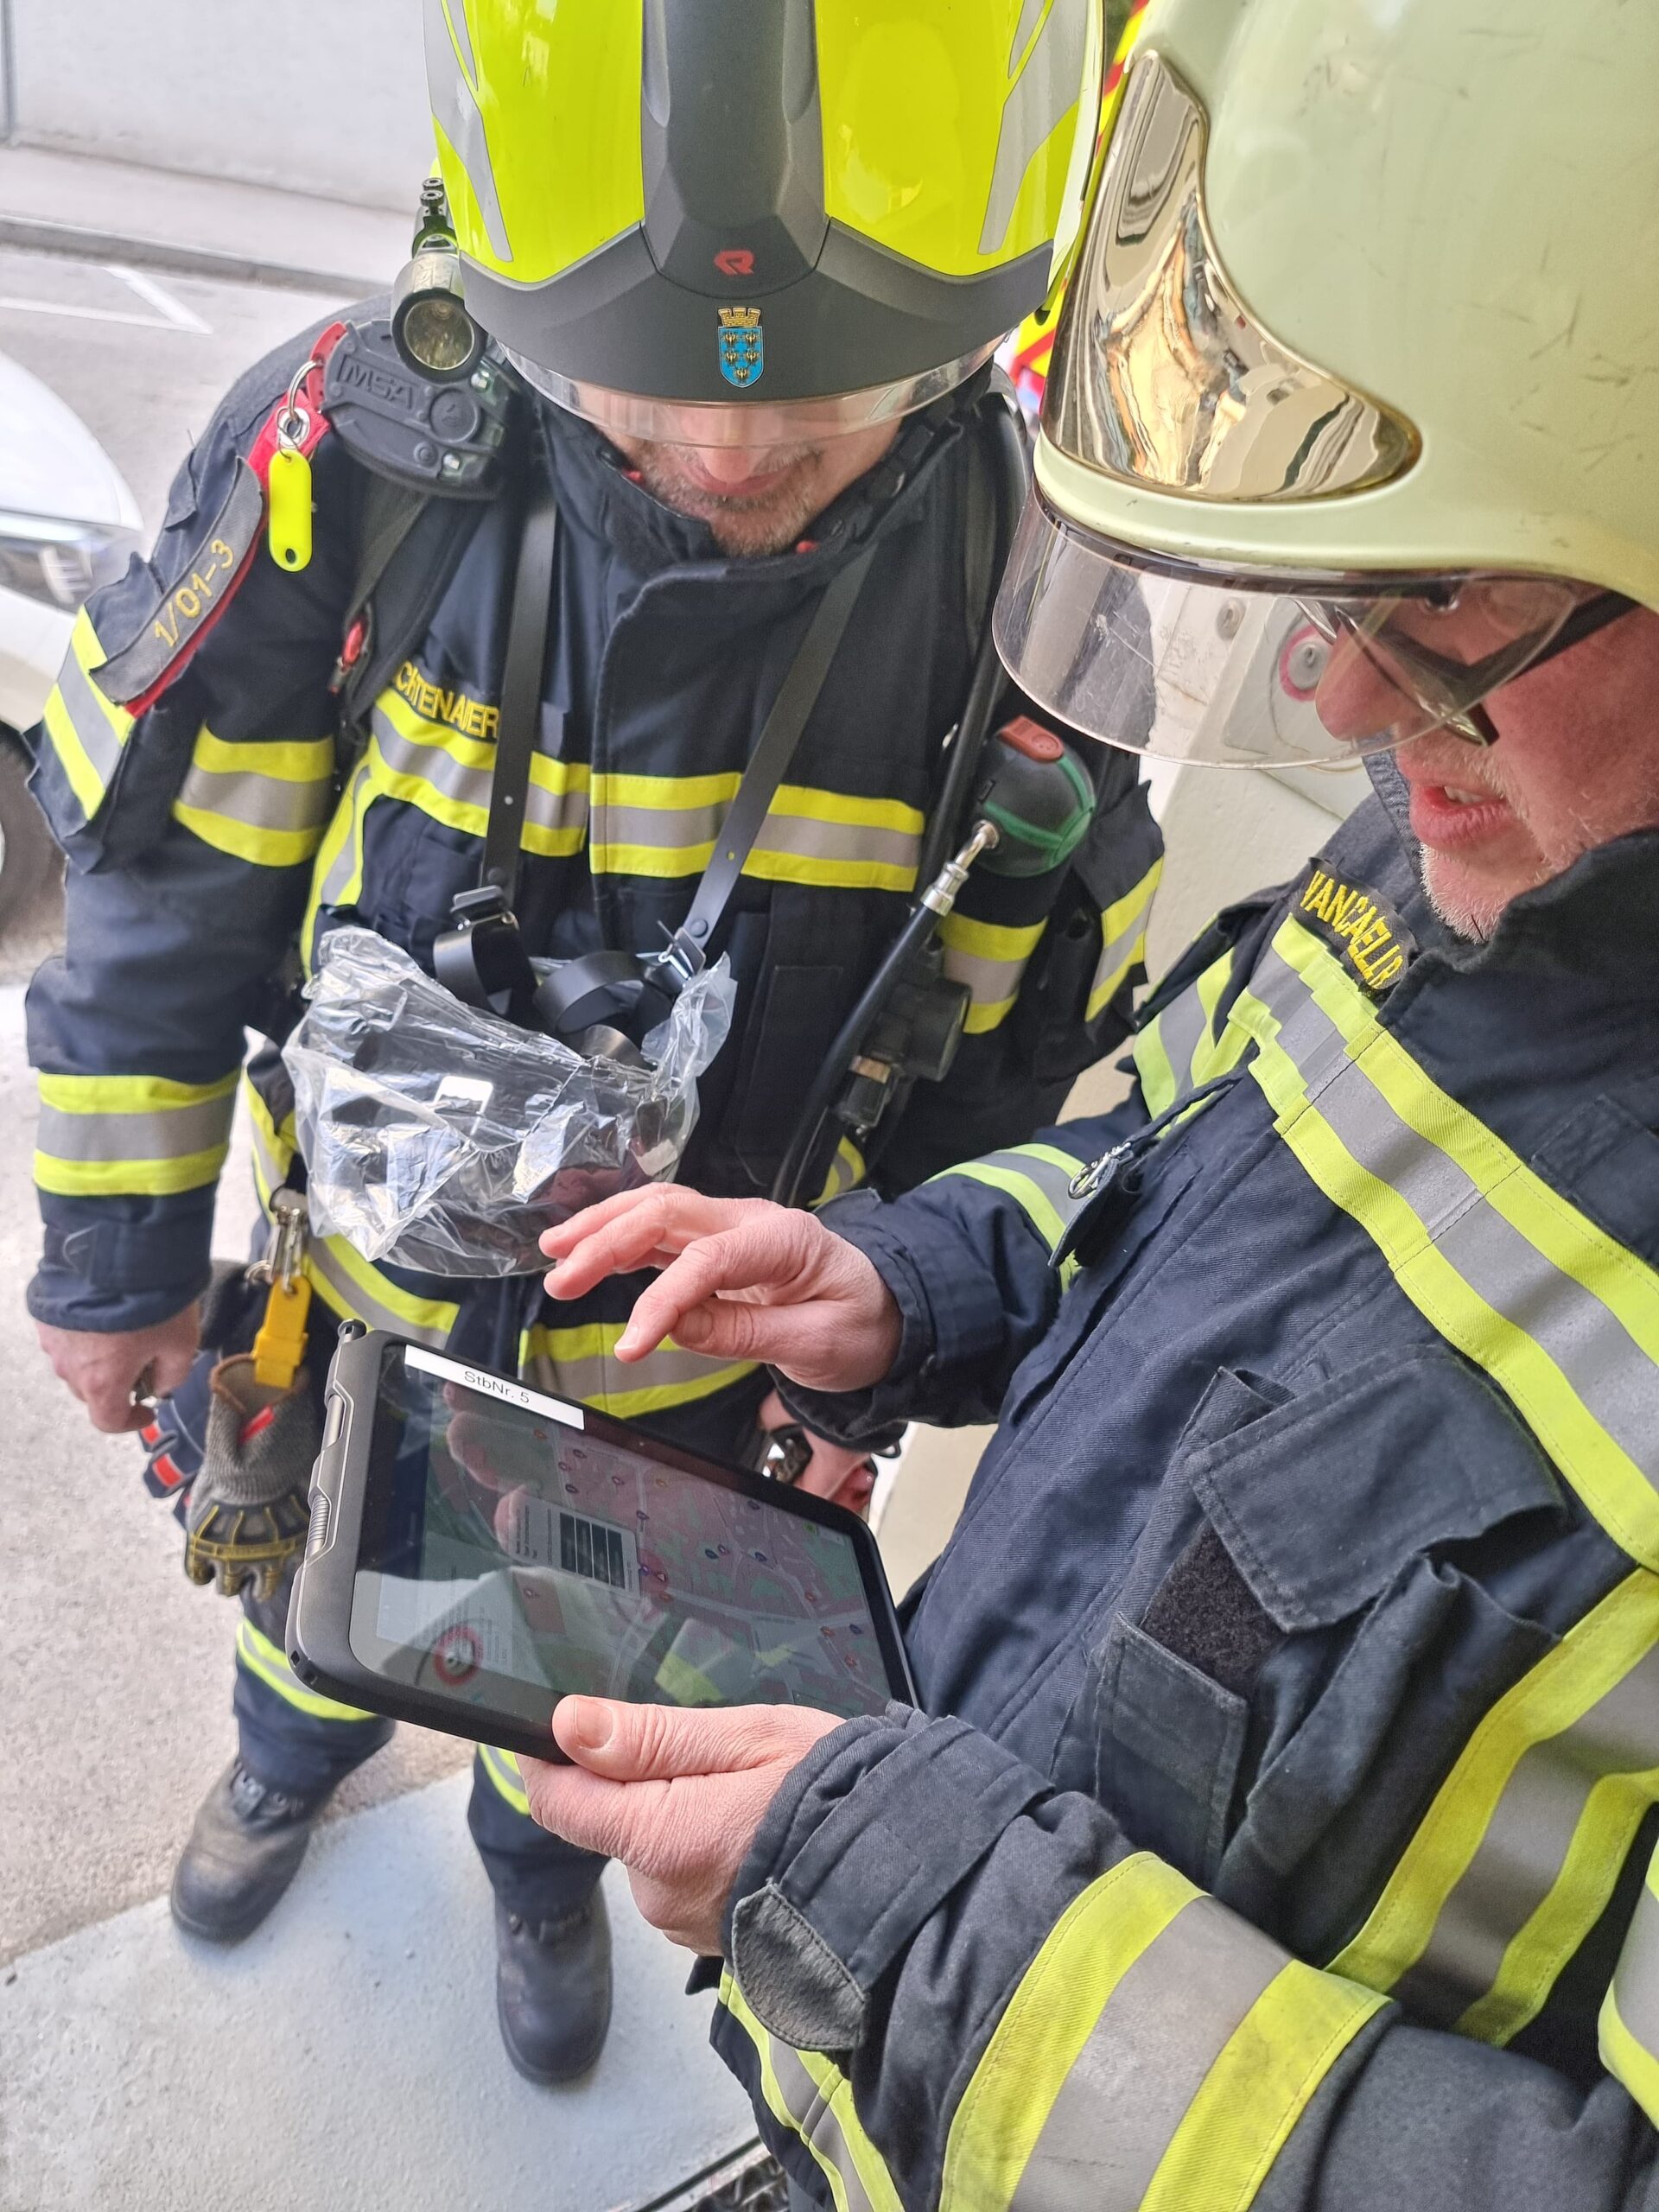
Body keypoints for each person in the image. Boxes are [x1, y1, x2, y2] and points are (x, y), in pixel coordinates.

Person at [514, 0, 1659, 2202]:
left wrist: (921, 1911)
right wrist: (907, 1281)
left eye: (1443, 595)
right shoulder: (1467, 842)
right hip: (892, 2068)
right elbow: (1179, 1137)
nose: (1350, 694)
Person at [24, 3, 1161, 2085]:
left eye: (817, 415)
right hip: (357, 1308)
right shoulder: (352, 468)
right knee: (311, 1597)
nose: (724, 457)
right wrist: (116, 1261)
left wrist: (866, 1372)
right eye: (644, 400)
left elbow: (1006, 1063)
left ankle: (532, 1873)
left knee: (570, 1676)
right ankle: (280, 1761)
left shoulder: (1035, 608)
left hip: (687, 1380)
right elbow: (167, 892)